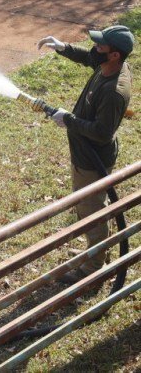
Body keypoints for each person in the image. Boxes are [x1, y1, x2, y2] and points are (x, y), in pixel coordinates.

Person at [37, 25, 134, 284]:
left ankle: (93, 268)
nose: (95, 49)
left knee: (90, 211)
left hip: (93, 159)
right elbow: (89, 58)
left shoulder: (114, 91)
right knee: (89, 208)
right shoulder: (109, 65)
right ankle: (97, 249)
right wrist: (64, 48)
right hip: (84, 153)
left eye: (100, 46)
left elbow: (102, 133)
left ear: (115, 55)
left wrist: (69, 120)